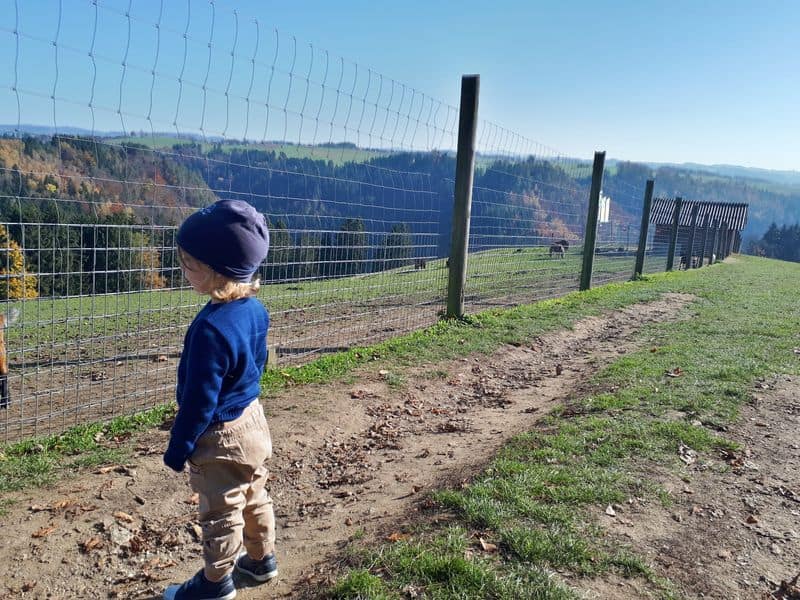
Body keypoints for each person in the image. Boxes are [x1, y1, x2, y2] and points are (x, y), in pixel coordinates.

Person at [162, 199, 277, 600]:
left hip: (220, 437)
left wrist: (180, 447)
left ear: (216, 270)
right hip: (253, 419)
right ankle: (262, 561)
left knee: (220, 511)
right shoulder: (256, 310)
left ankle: (216, 583)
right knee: (255, 495)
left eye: (189, 263)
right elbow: (258, 363)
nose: (183, 270)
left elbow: (199, 401)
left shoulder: (210, 329)